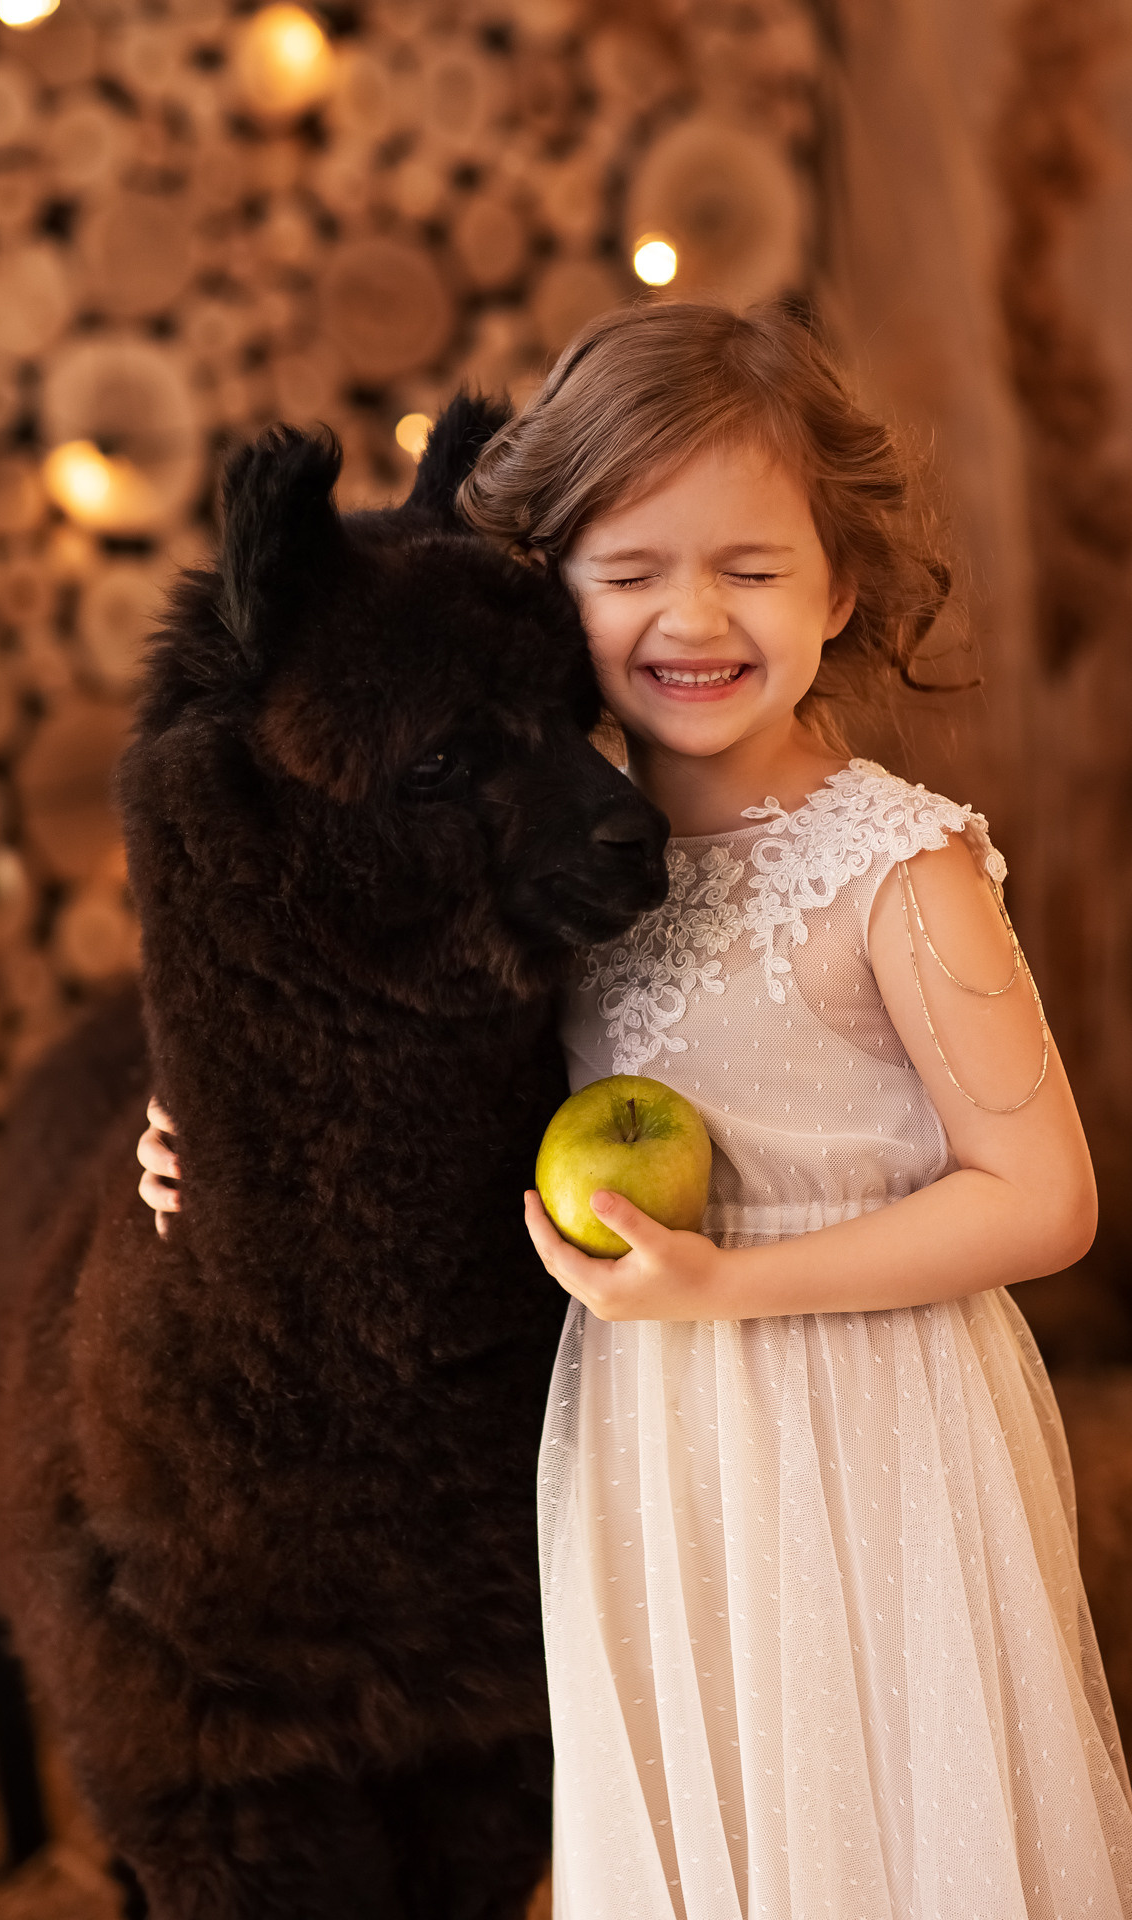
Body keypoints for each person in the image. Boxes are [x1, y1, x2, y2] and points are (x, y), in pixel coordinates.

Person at [138, 304, 1132, 1918]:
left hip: (861, 1429)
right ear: (551, 592)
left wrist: (734, 1285)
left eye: (750, 569)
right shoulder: (550, 878)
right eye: (630, 572)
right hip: (654, 1440)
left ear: (842, 588)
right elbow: (399, 1083)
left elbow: (1043, 1197)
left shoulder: (899, 870)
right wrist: (204, 1134)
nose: (693, 616)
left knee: (865, 1826)